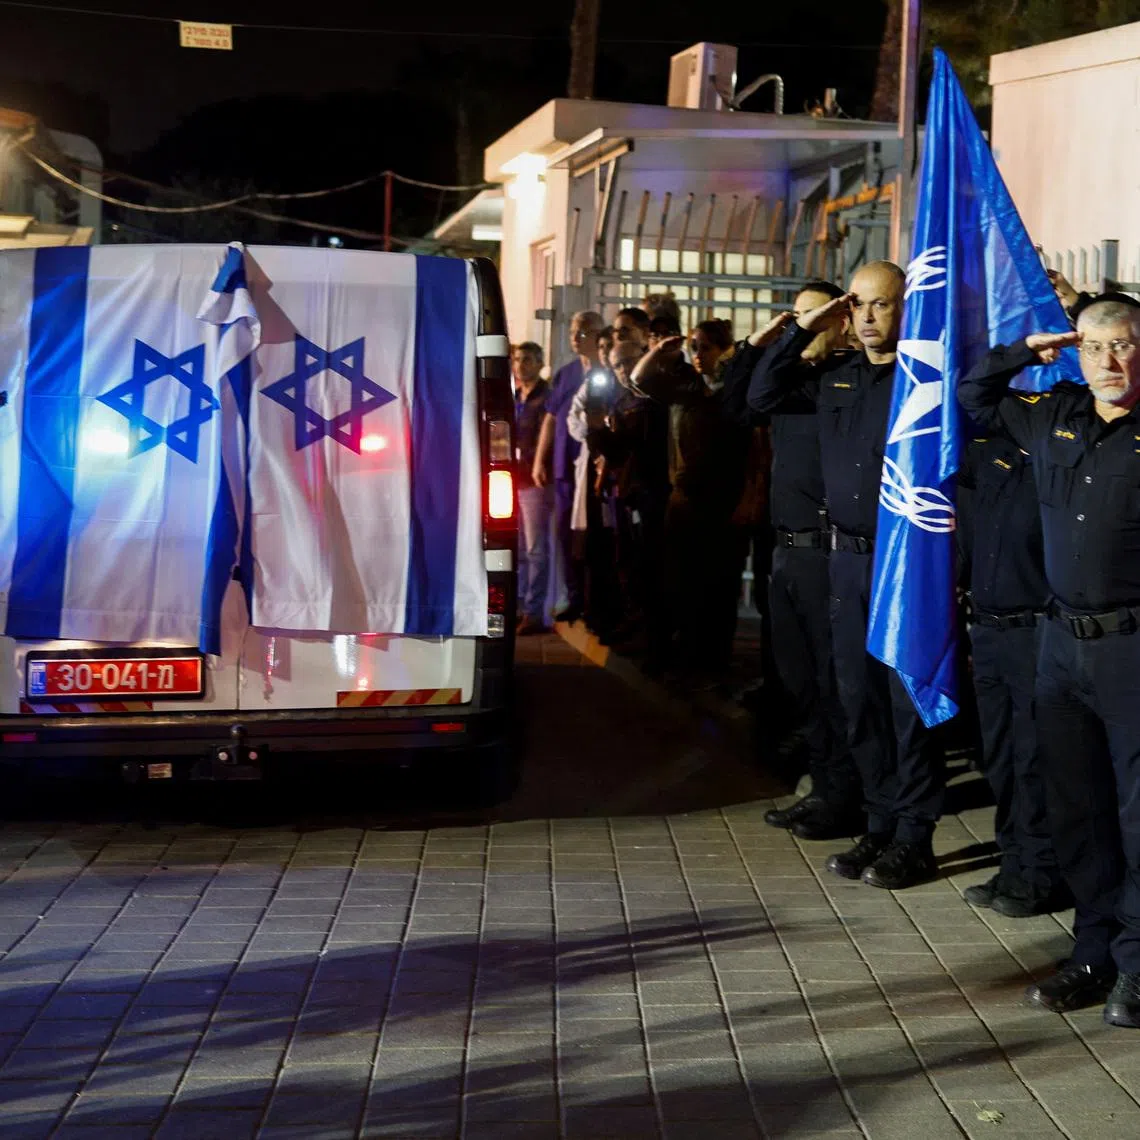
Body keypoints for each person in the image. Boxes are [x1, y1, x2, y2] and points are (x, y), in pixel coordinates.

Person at [959, 295, 1140, 1027]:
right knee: (1077, 810)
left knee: (1138, 818)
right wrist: (1023, 352)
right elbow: (973, 396)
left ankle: (1136, 967)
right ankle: (1092, 953)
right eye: (1095, 347)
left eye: (1124, 345)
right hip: (1058, 648)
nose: (1109, 362)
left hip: (1132, 651)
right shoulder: (1054, 414)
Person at [749, 262, 944, 889]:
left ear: (904, 310)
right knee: (856, 699)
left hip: (902, 560)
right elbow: (761, 395)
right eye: (856, 305)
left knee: (904, 703)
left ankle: (915, 836)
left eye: (879, 305)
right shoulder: (834, 376)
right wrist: (808, 323)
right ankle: (881, 825)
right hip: (845, 561)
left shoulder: (923, 384)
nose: (864, 316)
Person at [741, 283, 862, 840]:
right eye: (799, 314)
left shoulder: (841, 383)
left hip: (825, 554)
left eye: (817, 314)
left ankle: (844, 798)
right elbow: (748, 395)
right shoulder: (795, 382)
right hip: (786, 552)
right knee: (800, 683)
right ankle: (823, 785)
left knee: (833, 684)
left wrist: (807, 332)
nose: (805, 322)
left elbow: (763, 394)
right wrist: (782, 334)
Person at [957, 435, 1066, 916]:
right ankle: (1014, 862)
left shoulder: (1056, 459)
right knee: (999, 757)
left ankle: (1043, 874)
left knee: (1032, 760)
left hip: (1034, 630)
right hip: (988, 628)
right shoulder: (989, 456)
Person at [633, 320, 752, 680]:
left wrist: (749, 498)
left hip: (724, 501)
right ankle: (686, 659)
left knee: (721, 587)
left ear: (723, 349)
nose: (698, 355)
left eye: (706, 347)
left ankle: (714, 663)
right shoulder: (686, 386)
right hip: (684, 501)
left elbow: (755, 446)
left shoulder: (735, 388)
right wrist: (659, 350)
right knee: (682, 585)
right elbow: (639, 380)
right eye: (695, 346)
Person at [589, 336, 670, 670]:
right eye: (617, 364)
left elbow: (638, 445)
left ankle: (655, 640)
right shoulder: (622, 400)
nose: (622, 370)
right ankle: (638, 626)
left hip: (653, 491)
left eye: (627, 362)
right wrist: (597, 430)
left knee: (651, 568)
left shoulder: (652, 398)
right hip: (630, 491)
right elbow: (619, 450)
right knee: (632, 564)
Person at [533, 311, 605, 624]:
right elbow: (550, 418)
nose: (575, 337)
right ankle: (573, 598)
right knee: (565, 536)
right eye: (573, 331)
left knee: (594, 538)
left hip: (594, 468)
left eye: (583, 331)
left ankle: (596, 603)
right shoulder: (566, 374)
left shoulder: (606, 373)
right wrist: (540, 458)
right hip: (564, 468)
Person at [511, 341, 552, 635]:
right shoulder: (514, 397)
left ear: (539, 363)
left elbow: (545, 440)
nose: (521, 365)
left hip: (534, 481)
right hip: (511, 480)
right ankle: (520, 605)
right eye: (517, 360)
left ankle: (534, 611)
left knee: (536, 549)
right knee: (520, 550)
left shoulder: (545, 398)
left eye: (527, 360)